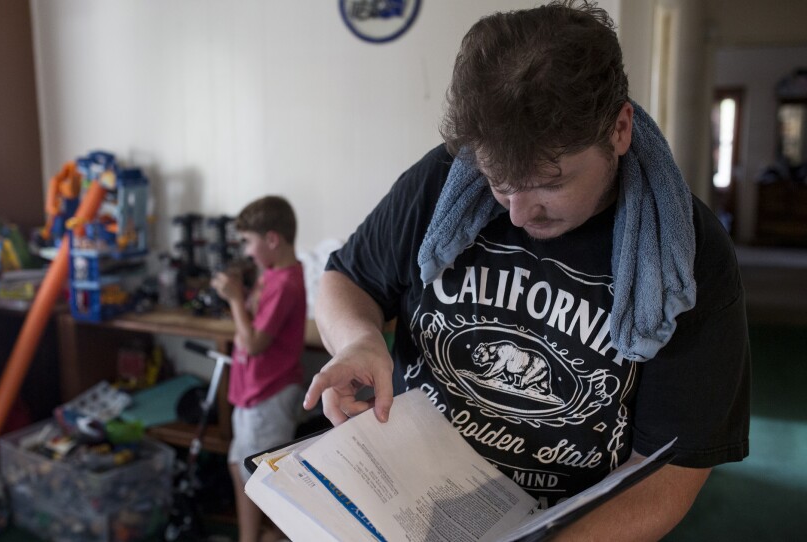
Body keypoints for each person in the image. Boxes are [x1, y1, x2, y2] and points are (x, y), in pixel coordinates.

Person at [303, 1, 750, 540]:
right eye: (498, 181)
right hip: (409, 504)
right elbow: (344, 279)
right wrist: (356, 339)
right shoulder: (442, 180)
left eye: (548, 182)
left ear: (619, 130)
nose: (516, 213)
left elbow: (669, 475)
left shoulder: (688, 256)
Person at [212, 195, 306, 542]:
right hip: (252, 391)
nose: (248, 251)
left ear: (272, 239)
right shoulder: (271, 275)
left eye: (250, 242)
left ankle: (280, 534)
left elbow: (253, 343)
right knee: (240, 466)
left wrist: (236, 298)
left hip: (270, 393)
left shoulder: (285, 283)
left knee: (263, 475)